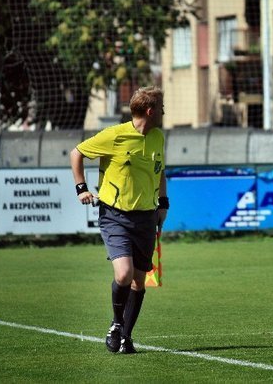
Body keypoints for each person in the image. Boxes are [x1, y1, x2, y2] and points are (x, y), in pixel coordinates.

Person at [70, 86, 168, 354]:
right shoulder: (114, 135)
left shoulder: (158, 137)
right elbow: (76, 153)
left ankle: (126, 337)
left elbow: (160, 171)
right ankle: (116, 324)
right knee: (124, 274)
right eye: (161, 107)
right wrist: (81, 188)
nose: (164, 111)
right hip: (115, 215)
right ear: (150, 111)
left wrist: (163, 204)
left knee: (139, 281)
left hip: (146, 217)